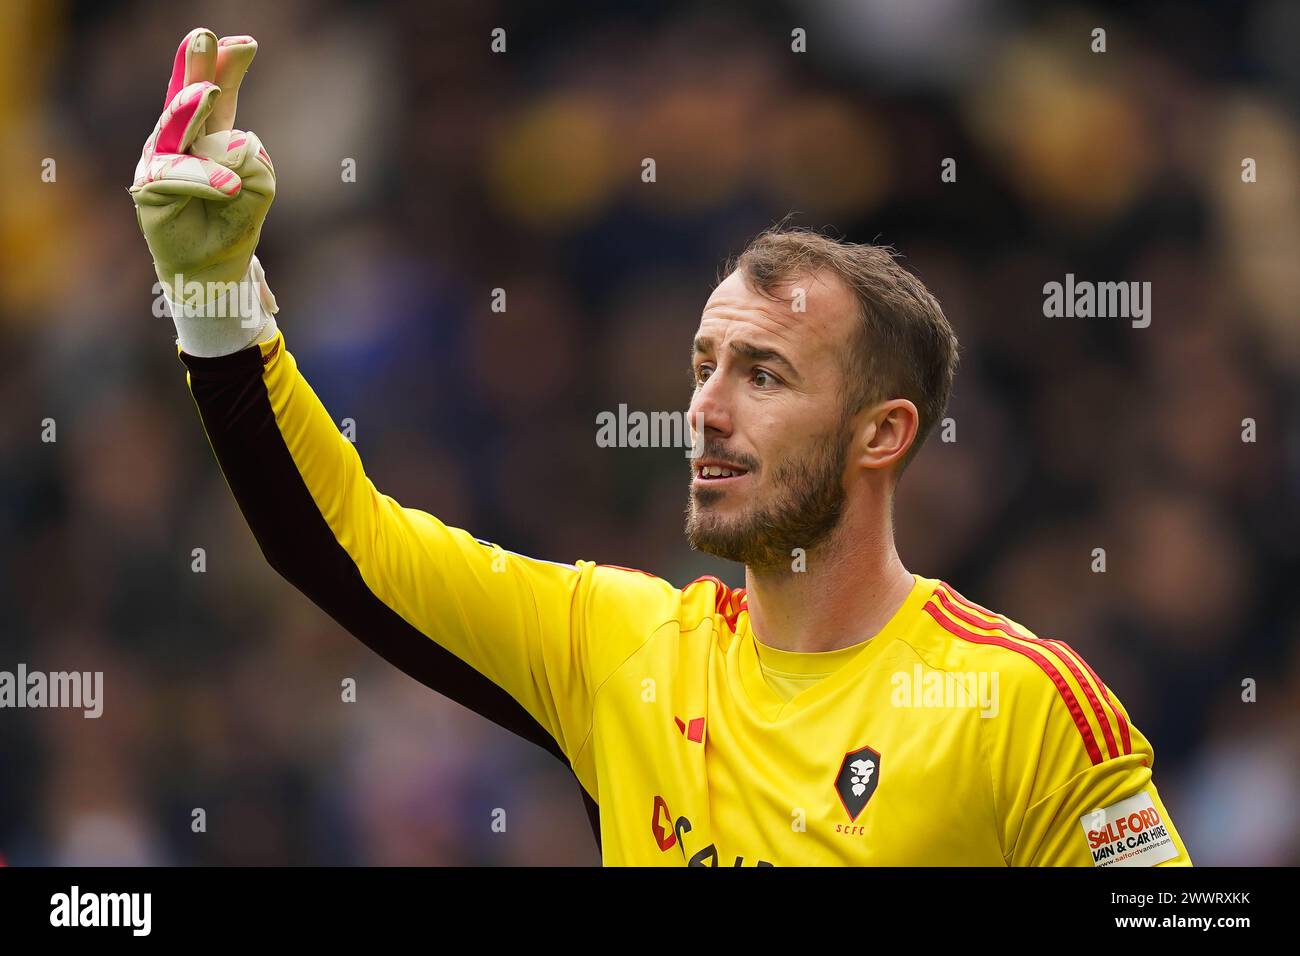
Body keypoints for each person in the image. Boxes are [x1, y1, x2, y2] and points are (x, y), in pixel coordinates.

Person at [130, 27, 1192, 867]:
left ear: (882, 433)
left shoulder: (1025, 704)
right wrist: (215, 297)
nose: (705, 409)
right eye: (702, 367)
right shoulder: (626, 650)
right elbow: (339, 543)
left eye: (762, 374)